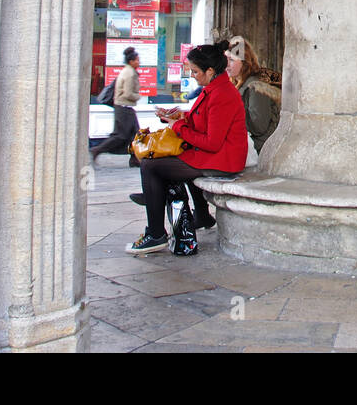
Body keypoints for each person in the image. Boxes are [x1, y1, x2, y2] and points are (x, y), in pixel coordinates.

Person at [126, 41, 248, 255]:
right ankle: (199, 213)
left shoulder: (223, 95)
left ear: (210, 71)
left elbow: (212, 142)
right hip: (213, 155)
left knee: (150, 166)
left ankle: (155, 233)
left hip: (222, 159)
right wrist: (175, 116)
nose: (192, 75)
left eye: (195, 71)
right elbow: (200, 120)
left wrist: (179, 126)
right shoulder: (213, 88)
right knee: (160, 162)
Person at [226, 35, 282, 153]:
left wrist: (231, 112)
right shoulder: (239, 83)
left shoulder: (255, 86)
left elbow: (259, 127)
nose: (226, 65)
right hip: (247, 143)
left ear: (244, 62)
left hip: (258, 148)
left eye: (231, 60)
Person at [90, 46, 141, 165]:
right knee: (120, 136)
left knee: (135, 134)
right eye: (137, 60)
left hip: (125, 107)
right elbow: (128, 93)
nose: (139, 62)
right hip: (124, 107)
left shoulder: (128, 71)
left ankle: (134, 158)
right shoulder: (129, 74)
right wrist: (137, 96)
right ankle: (96, 150)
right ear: (131, 61)